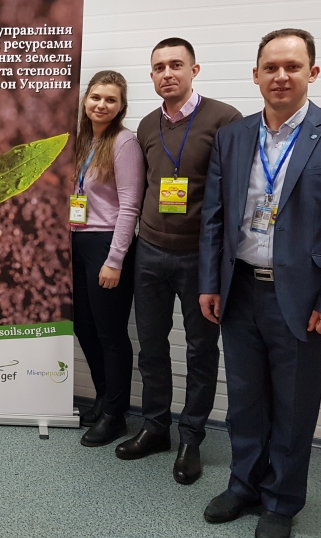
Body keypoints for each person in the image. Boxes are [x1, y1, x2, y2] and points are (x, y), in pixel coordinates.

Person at [199, 29, 321, 538]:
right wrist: (209, 282)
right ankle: (244, 485)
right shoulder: (233, 136)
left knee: (295, 407)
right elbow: (215, 216)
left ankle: (281, 501)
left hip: (304, 299)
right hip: (239, 290)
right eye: (270, 67)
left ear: (312, 73)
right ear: (255, 75)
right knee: (245, 401)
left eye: (292, 67)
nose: (281, 76)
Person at [115, 38, 242, 485]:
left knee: (200, 350)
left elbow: (234, 194)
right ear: (151, 75)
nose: (167, 73)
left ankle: (191, 438)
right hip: (150, 251)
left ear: (194, 70)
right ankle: (155, 428)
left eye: (175, 65)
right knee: (151, 347)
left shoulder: (225, 119)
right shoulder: (146, 125)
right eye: (158, 67)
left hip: (200, 258)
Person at [70, 71, 144, 447]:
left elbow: (130, 206)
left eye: (110, 99)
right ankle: (103, 398)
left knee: (111, 333)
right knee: (84, 327)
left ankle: (116, 414)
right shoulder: (82, 140)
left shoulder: (124, 142)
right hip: (76, 242)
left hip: (106, 246)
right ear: (86, 100)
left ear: (121, 106)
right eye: (96, 97)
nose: (101, 105)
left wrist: (115, 259)